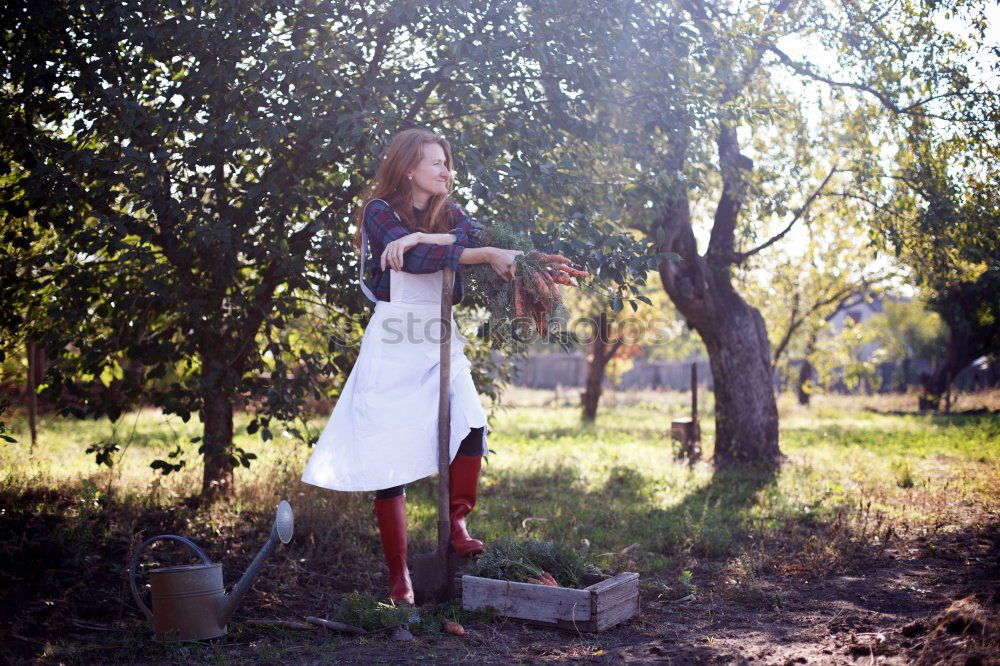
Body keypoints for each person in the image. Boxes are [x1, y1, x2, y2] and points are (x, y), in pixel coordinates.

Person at [301, 128, 524, 605]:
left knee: (471, 425)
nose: (447, 171)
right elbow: (418, 259)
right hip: (396, 338)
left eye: (447, 162)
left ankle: (458, 524)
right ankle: (400, 575)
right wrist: (469, 252)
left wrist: (426, 233)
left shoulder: (452, 212)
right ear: (408, 169)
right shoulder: (378, 211)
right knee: (388, 456)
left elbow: (462, 237)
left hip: (441, 333)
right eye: (437, 163)